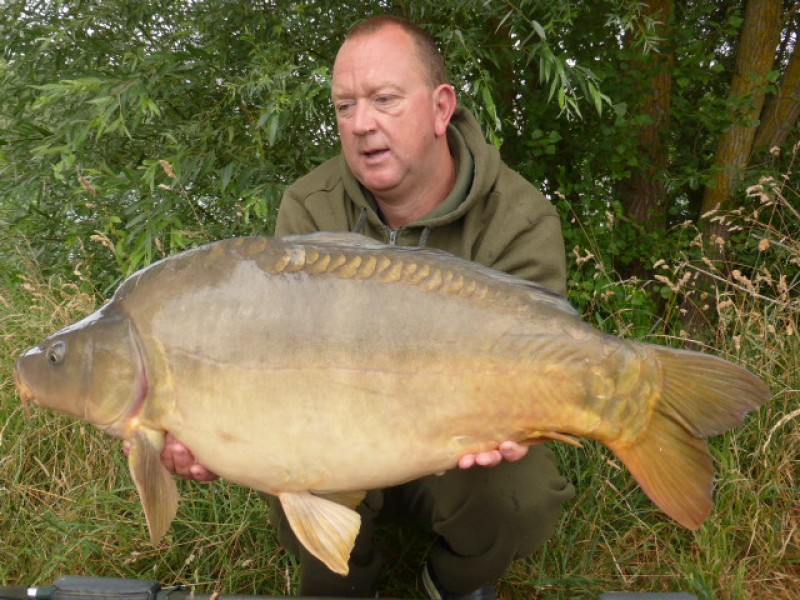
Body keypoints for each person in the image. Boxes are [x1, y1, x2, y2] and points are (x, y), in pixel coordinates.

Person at [159, 15, 575, 600]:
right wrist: (209, 430)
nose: (361, 125)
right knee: (287, 470)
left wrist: (521, 417)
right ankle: (349, 587)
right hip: (342, 424)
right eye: (345, 107)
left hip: (460, 438)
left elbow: (549, 358)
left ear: (440, 108)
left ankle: (450, 583)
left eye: (383, 100)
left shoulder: (519, 217)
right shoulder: (309, 207)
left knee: (520, 499)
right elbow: (279, 358)